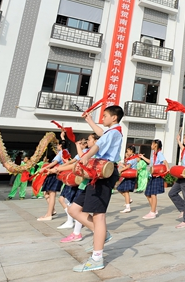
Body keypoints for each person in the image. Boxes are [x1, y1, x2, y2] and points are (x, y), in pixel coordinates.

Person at [67, 106, 124, 272]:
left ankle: (97, 258)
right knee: (74, 209)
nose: (103, 118)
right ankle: (102, 234)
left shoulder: (114, 132)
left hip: (103, 174)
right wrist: (89, 120)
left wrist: (86, 155)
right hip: (95, 175)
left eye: (105, 115)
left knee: (99, 216)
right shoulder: (111, 131)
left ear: (114, 118)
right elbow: (100, 134)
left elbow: (98, 145)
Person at [56, 133, 99, 243]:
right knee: (78, 210)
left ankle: (98, 232)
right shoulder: (89, 152)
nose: (87, 142)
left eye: (89, 140)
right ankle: (78, 232)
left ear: (95, 141)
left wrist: (59, 167)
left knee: (80, 211)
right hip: (84, 184)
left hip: (90, 184)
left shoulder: (94, 153)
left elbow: (80, 162)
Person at [37, 141, 68, 221]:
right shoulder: (65, 151)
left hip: (55, 174)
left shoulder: (62, 152)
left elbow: (55, 162)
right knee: (46, 193)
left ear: (60, 145)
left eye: (58, 145)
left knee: (51, 194)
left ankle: (49, 214)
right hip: (54, 174)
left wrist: (44, 168)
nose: (57, 146)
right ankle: (52, 210)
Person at [139, 139, 168, 219]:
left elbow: (165, 162)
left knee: (153, 194)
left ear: (155, 145)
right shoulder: (154, 154)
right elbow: (150, 162)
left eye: (152, 144)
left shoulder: (159, 153)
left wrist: (167, 170)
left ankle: (152, 212)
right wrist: (143, 157)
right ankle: (154, 209)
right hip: (152, 175)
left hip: (157, 175)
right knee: (147, 193)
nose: (151, 145)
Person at [118, 145, 139, 214]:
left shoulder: (132, 159)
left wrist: (120, 170)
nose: (126, 152)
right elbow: (128, 167)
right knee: (120, 188)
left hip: (130, 177)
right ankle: (129, 200)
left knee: (126, 191)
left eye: (128, 151)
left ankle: (128, 207)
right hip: (129, 176)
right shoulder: (132, 159)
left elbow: (128, 167)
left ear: (131, 151)